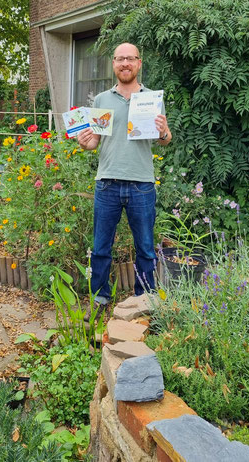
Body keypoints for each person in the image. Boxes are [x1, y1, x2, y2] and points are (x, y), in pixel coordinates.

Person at [77, 42, 172, 317]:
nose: (125, 64)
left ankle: (145, 299)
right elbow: (94, 141)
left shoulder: (152, 98)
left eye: (130, 59)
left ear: (139, 63)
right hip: (107, 182)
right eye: (120, 59)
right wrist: (85, 142)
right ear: (114, 64)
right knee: (100, 248)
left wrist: (164, 132)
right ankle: (100, 298)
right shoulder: (101, 101)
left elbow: (164, 140)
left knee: (144, 247)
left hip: (142, 183)